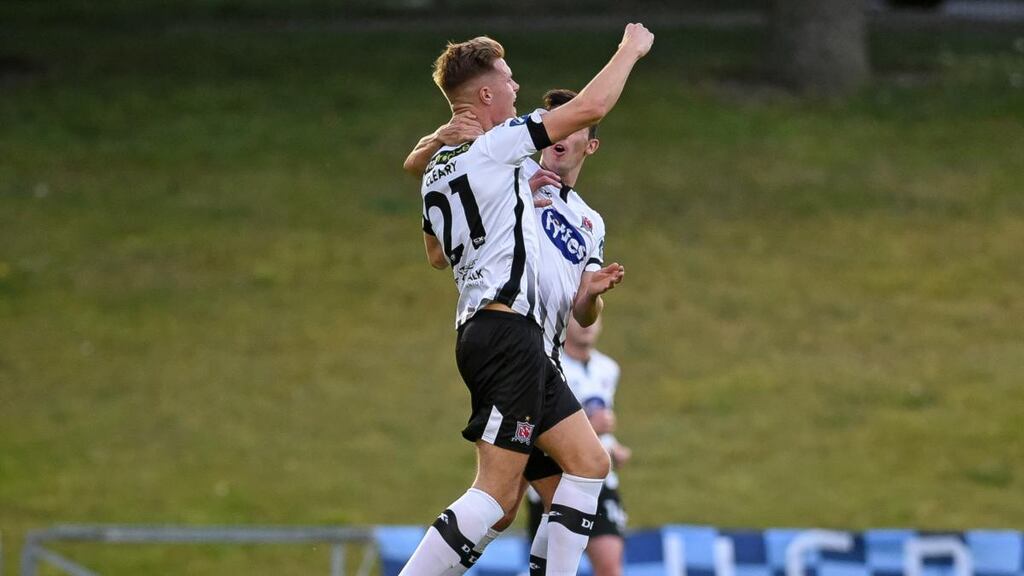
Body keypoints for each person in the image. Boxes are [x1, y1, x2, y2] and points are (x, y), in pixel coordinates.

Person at [399, 25, 654, 576]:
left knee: (585, 465)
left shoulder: (443, 166)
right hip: (507, 333)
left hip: (507, 337)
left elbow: (436, 255)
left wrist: (433, 144)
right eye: (509, 81)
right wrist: (630, 49)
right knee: (495, 494)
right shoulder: (502, 145)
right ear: (486, 95)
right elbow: (590, 105)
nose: (516, 90)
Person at [528, 316, 630, 576]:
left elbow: (602, 422)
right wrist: (591, 427)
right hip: (554, 478)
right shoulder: (549, 366)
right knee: (553, 569)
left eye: (594, 318)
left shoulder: (608, 369)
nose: (587, 325)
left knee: (610, 567)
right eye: (580, 317)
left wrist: (612, 446)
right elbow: (537, 425)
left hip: (599, 481)